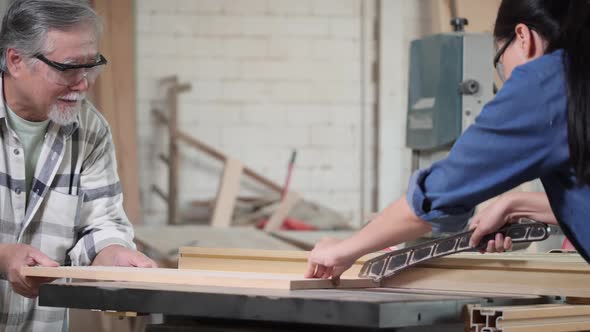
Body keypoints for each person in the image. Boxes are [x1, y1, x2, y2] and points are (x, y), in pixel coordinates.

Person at [306, 0, 590, 280]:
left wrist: (344, 250)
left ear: (523, 37)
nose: (505, 76)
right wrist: (514, 204)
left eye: (500, 60)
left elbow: (437, 196)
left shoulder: (541, 84)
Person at [0, 0, 156, 330]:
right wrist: (3, 256)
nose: (83, 83)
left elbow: (101, 224)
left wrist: (115, 254)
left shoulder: (91, 131)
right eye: (68, 68)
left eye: (90, 67)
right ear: (16, 61)